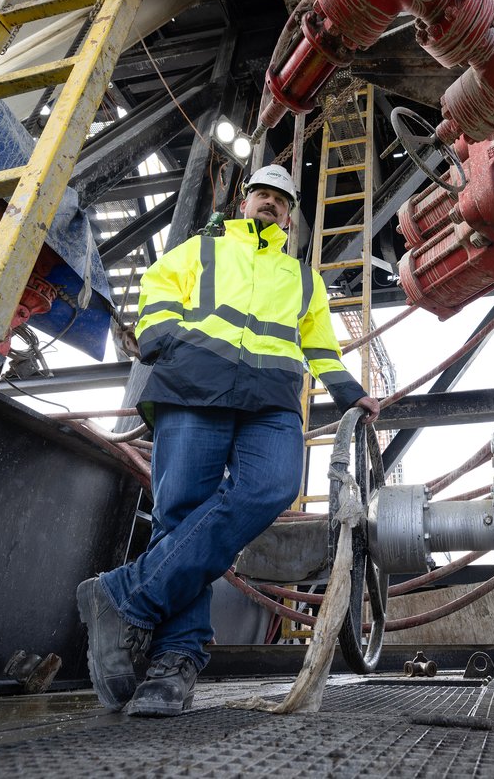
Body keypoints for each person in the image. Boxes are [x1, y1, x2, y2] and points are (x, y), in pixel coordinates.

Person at [75, 164, 380, 717]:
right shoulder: (202, 249)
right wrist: (166, 338)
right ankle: (175, 662)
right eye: (261, 194)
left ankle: (124, 596)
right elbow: (158, 286)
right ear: (245, 203)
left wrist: (349, 392)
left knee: (271, 486)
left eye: (280, 200)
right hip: (195, 384)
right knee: (183, 514)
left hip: (271, 399)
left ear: (289, 217)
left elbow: (320, 345)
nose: (270, 203)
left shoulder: (303, 278)